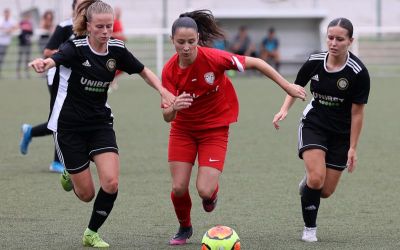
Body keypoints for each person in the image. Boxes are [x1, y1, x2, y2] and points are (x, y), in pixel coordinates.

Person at [28, 0, 174, 247]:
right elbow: (55, 59)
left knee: (111, 182)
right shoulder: (75, 46)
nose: (106, 32)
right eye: (100, 27)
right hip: (68, 126)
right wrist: (44, 64)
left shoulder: (116, 50)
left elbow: (142, 70)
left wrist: (162, 90)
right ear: (88, 25)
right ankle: (70, 172)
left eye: (109, 26)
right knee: (86, 194)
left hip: (99, 124)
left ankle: (91, 233)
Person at [161, 9, 307, 246]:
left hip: (214, 129)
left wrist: (287, 87)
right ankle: (184, 227)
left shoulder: (214, 58)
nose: (186, 47)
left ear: (198, 38)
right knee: (178, 187)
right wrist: (174, 106)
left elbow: (257, 62)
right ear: (172, 41)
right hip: (183, 130)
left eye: (190, 41)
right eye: (180, 42)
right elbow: (167, 117)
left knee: (204, 191)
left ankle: (212, 195)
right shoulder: (169, 71)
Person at [272, 18, 370, 242]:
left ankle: (308, 184)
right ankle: (309, 230)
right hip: (314, 124)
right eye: (330, 37)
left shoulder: (358, 72)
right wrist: (284, 109)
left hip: (341, 134)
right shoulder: (315, 61)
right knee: (316, 179)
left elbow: (357, 113)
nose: (333, 43)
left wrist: (353, 148)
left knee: (324, 190)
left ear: (350, 41)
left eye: (340, 39)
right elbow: (295, 87)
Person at [20, 0, 82, 173]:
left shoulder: (91, 27)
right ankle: (57, 162)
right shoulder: (64, 26)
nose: (86, 8)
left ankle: (30, 132)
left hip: (76, 79)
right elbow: (47, 51)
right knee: (61, 117)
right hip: (56, 76)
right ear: (74, 7)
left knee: (68, 118)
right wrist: (68, 55)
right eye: (82, 5)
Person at [0, 8, 17, 78]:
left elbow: (16, 27)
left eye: (8, 13)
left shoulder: (11, 20)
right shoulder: (1, 19)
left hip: (6, 42)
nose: (7, 15)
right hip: (0, 41)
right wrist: (6, 30)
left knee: (2, 58)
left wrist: (10, 29)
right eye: (6, 13)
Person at [17, 12, 33, 79]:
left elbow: (32, 33)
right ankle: (18, 73)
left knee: (27, 59)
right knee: (20, 59)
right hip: (21, 44)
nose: (27, 18)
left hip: (28, 44)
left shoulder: (30, 24)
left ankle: (27, 73)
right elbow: (18, 33)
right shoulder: (21, 23)